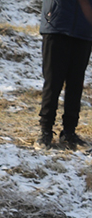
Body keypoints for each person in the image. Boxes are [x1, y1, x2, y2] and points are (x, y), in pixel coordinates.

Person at [35, 0, 92, 150]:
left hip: (84, 28)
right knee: (53, 81)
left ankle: (69, 132)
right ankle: (45, 130)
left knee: (76, 82)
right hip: (56, 23)